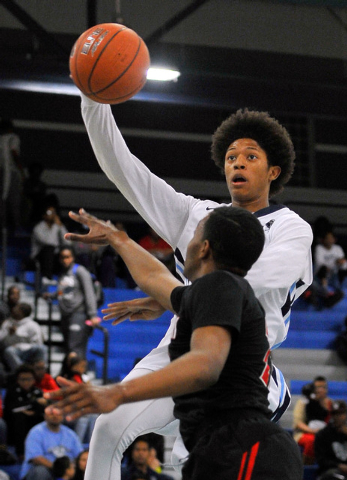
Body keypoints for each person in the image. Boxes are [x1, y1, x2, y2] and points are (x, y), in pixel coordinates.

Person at [65, 96, 313, 478]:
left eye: (250, 156)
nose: (238, 164)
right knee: (109, 425)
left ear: (274, 171)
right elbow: (123, 169)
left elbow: (251, 283)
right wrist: (92, 97)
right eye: (231, 157)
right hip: (180, 347)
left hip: (244, 363)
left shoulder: (291, 227)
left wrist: (170, 299)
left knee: (194, 460)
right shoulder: (197, 215)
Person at [45, 207, 303, 480]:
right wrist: (118, 239)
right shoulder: (218, 292)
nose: (184, 245)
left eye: (193, 236)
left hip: (243, 448)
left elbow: (205, 365)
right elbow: (155, 279)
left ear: (203, 248)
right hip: (229, 447)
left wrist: (118, 393)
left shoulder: (219, 287)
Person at [43, 247, 99, 359]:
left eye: (68, 257)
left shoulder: (80, 271)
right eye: (62, 257)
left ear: (73, 258)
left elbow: (89, 293)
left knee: (75, 347)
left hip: (78, 313)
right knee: (69, 348)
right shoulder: (63, 274)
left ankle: (79, 375)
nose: (65, 260)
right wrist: (52, 295)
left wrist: (93, 315)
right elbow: (62, 291)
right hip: (65, 314)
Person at [20, 410, 83, 480]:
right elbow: (36, 458)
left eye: (58, 414)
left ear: (63, 416)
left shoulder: (70, 434)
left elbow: (79, 456)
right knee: (40, 471)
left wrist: (70, 469)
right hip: (46, 470)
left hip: (67, 471)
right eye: (51, 413)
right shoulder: (36, 432)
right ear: (45, 416)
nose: (55, 416)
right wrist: (59, 469)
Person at [315, 400, 347, 480]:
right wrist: (339, 466)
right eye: (335, 414)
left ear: (346, 414)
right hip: (332, 472)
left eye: (341, 413)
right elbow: (321, 459)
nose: (338, 417)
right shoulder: (323, 434)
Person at [3, 364, 46, 458]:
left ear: (34, 379)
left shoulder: (37, 391)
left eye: (29, 379)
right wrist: (34, 403)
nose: (26, 382)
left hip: (34, 418)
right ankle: (21, 453)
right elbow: (12, 408)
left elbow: (42, 407)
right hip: (14, 422)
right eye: (23, 379)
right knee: (20, 418)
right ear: (18, 380)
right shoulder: (12, 391)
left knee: (42, 418)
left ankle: (43, 450)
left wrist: (33, 411)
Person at [314, 231, 347, 302]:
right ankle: (325, 291)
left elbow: (345, 264)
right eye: (327, 238)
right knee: (323, 268)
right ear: (323, 240)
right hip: (320, 276)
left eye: (331, 238)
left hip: (334, 275)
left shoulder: (337, 248)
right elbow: (319, 263)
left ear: (334, 239)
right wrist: (335, 262)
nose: (329, 240)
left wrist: (341, 263)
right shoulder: (319, 248)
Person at [293, 376, 333, 465]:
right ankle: (306, 466)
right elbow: (298, 422)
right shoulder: (303, 402)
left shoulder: (330, 403)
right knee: (312, 441)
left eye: (324, 387)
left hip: (324, 433)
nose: (321, 390)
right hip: (304, 433)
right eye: (318, 387)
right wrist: (314, 431)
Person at [0, 302, 46, 373]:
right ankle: (21, 372)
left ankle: (41, 373)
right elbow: (2, 341)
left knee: (42, 348)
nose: (13, 309)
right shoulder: (8, 323)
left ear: (22, 312)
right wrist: (9, 334)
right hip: (12, 351)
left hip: (28, 351)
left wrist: (19, 344)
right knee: (9, 351)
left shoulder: (32, 325)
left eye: (16, 308)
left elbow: (38, 343)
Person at [30, 205, 70, 280]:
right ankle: (47, 278)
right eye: (49, 212)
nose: (53, 215)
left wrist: (60, 226)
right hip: (38, 257)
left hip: (53, 257)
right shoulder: (38, 228)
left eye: (54, 212)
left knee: (68, 252)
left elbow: (68, 242)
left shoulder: (58, 226)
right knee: (49, 249)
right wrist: (55, 227)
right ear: (44, 215)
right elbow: (48, 242)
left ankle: (67, 278)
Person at [0, 118, 24, 235]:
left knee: (3, 199)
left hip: (1, 171)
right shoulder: (13, 137)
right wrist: (21, 171)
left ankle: (4, 226)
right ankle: (16, 227)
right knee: (14, 200)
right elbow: (14, 153)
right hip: (10, 172)